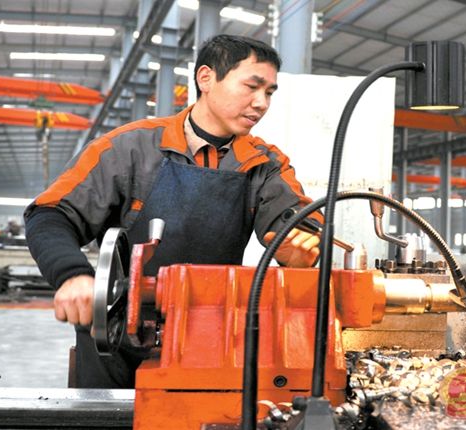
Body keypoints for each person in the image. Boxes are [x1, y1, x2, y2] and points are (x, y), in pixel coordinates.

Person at [24, 35, 322, 388]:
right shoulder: (130, 148)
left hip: (211, 336)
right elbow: (50, 214)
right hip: (115, 340)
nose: (261, 103)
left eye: (269, 92)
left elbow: (298, 221)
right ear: (206, 78)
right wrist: (72, 274)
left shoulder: (264, 163)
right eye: (252, 86)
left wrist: (301, 249)